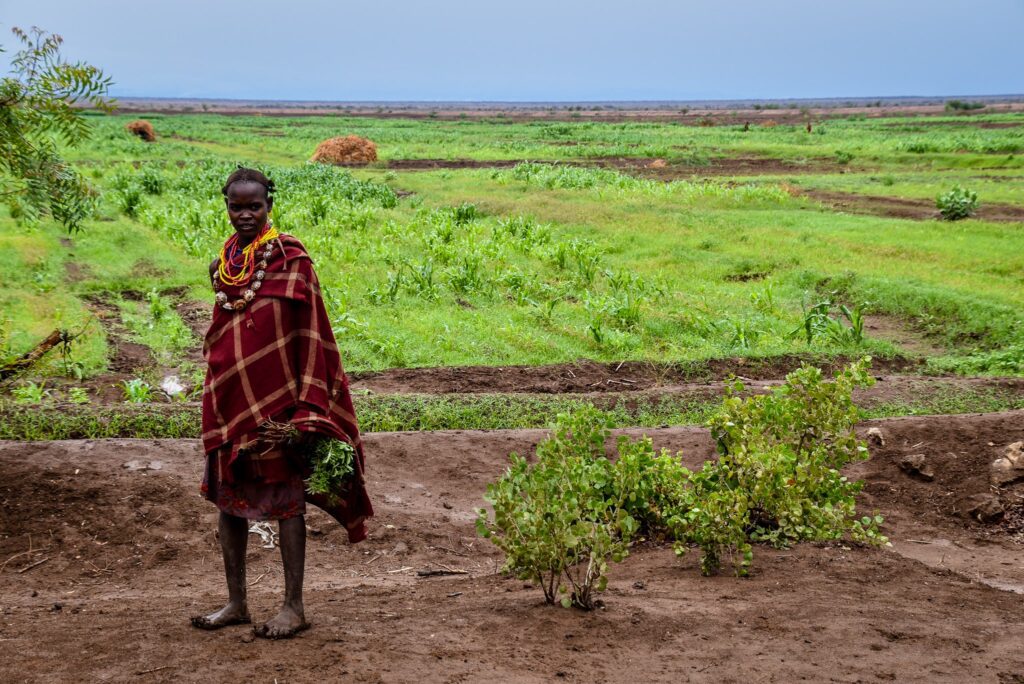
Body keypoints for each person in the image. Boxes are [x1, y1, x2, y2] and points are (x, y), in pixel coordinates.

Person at [190, 167, 373, 639]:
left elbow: (311, 334)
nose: (245, 214)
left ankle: (294, 606)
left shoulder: (292, 259)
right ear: (226, 205)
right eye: (237, 206)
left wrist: (306, 408)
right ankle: (236, 603)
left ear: (269, 204)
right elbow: (224, 329)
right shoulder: (226, 263)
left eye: (254, 206)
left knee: (288, 503)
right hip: (231, 398)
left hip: (278, 409)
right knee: (229, 503)